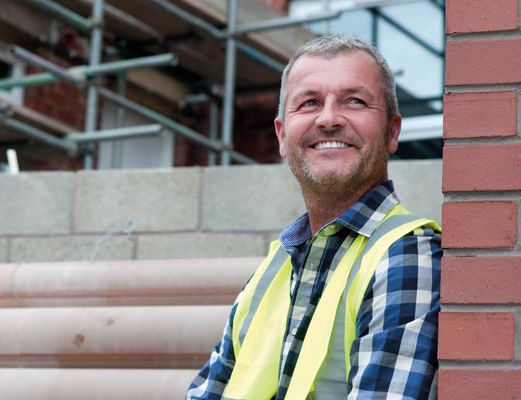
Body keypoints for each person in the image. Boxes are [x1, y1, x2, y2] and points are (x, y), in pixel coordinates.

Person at [186, 34, 441, 400]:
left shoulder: (407, 257)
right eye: (309, 103)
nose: (328, 119)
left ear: (392, 131)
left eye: (354, 101)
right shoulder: (271, 272)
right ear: (281, 135)